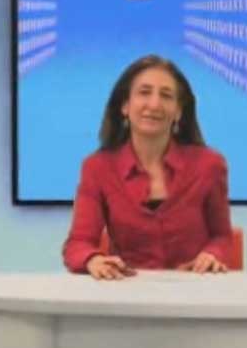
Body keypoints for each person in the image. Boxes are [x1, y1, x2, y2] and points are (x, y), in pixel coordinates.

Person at [62, 55, 233, 280]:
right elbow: (78, 244)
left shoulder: (209, 165)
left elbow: (222, 237)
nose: (154, 104)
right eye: (144, 93)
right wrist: (92, 260)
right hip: (126, 293)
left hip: (194, 291)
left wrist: (213, 254)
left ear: (179, 111)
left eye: (166, 96)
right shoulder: (97, 168)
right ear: (125, 105)